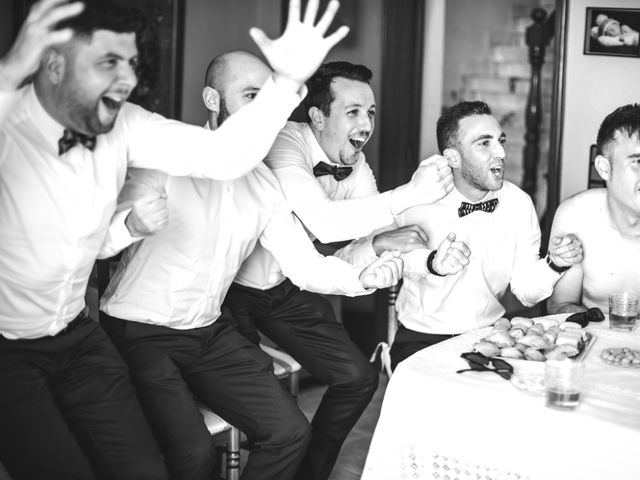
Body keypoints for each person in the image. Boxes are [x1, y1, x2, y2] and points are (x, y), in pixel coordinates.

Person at [0, 0, 349, 478]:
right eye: (108, 62)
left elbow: (225, 156)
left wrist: (287, 81)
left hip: (78, 335)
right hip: (10, 349)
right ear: (56, 65)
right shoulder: (11, 122)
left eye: (131, 63)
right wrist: (10, 72)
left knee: (147, 470)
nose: (125, 77)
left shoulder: (129, 124)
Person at [99, 49, 403, 480]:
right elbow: (94, 248)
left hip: (207, 331)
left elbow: (304, 265)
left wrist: (361, 276)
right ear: (212, 99)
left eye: (269, 102)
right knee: (194, 454)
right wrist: (130, 225)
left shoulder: (265, 186)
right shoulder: (165, 159)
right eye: (250, 97)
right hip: (140, 329)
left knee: (290, 433)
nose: (263, 115)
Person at [223, 60, 467, 480]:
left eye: (370, 112)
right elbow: (324, 222)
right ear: (317, 116)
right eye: (353, 111)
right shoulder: (285, 144)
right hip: (230, 294)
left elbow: (374, 239)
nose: (366, 123)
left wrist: (417, 257)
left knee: (357, 377)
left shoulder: (357, 165)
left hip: (288, 286)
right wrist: (406, 195)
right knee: (265, 414)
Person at [387, 100, 584, 371]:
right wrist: (428, 261)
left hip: (491, 335)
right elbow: (383, 259)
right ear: (453, 157)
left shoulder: (518, 203)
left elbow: (525, 292)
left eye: (500, 141)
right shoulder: (414, 201)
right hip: (422, 339)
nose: (501, 152)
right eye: (484, 143)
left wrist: (555, 264)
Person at [547, 103, 640, 315]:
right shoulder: (575, 216)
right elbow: (560, 306)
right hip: (595, 342)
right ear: (604, 169)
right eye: (638, 161)